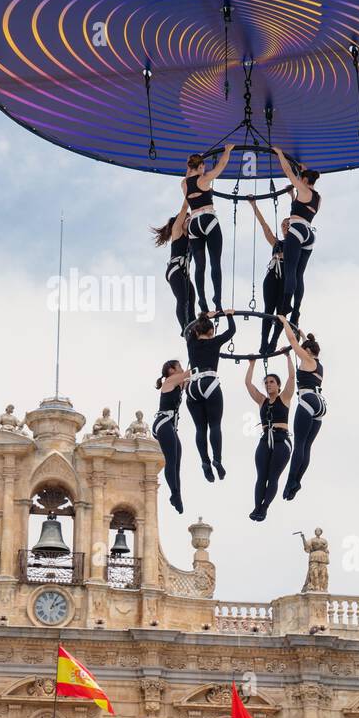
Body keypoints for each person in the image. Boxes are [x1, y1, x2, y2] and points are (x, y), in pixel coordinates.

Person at [182, 144, 235, 314]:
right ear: (200, 167)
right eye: (203, 166)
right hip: (208, 220)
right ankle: (217, 301)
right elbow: (221, 165)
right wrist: (227, 151)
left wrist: (197, 161)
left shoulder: (184, 183)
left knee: (200, 266)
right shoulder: (204, 180)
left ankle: (202, 299)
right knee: (215, 263)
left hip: (193, 224)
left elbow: (189, 172)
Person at [184, 309, 236, 482]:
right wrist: (229, 315)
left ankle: (205, 462)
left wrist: (206, 316)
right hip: (209, 382)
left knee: (200, 428)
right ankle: (217, 460)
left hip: (192, 385)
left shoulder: (191, 343)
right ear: (211, 332)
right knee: (215, 425)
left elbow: (190, 329)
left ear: (197, 331)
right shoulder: (215, 342)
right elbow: (231, 331)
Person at [244, 346, 294, 521]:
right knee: (261, 477)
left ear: (278, 385)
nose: (268, 384)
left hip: (282, 440)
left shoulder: (285, 397)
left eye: (272, 382)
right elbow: (248, 384)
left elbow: (292, 378)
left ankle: (264, 508)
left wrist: (288, 356)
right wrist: (252, 363)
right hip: (266, 438)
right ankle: (257, 507)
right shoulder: (261, 400)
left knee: (273, 477)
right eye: (266, 382)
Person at [278, 319, 326, 501]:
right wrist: (304, 335)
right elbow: (304, 343)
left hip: (307, 400)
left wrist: (285, 323)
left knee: (299, 444)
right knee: (307, 446)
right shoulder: (317, 363)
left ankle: (291, 481)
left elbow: (292, 341)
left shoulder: (306, 358)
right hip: (320, 404)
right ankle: (296, 481)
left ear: (307, 351)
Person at [272, 145, 321, 324]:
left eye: (301, 177)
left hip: (297, 229)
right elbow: (301, 209)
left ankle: (285, 306)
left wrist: (279, 154)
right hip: (309, 233)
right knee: (299, 274)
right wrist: (304, 170)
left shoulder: (303, 187)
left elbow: (287, 171)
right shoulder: (317, 197)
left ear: (305, 180)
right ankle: (297, 311)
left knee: (290, 269)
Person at [248, 197, 290, 355]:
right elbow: (264, 226)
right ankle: (263, 341)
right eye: (283, 225)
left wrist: (292, 196)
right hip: (273, 274)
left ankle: (274, 340)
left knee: (282, 311)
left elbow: (301, 219)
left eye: (288, 224)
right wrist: (254, 205)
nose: (285, 227)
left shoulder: (296, 243)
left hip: (287, 275)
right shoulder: (277, 243)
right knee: (268, 310)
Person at [152, 359, 192, 513]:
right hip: (163, 423)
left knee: (177, 464)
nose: (182, 369)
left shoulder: (179, 383)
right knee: (171, 460)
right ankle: (175, 494)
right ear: (171, 370)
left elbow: (190, 380)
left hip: (170, 426)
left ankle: (177, 496)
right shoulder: (169, 381)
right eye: (179, 367)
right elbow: (190, 373)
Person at [152, 199, 195, 334]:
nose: (189, 222)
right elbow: (184, 208)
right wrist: (190, 191)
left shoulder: (192, 238)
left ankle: (193, 327)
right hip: (175, 270)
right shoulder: (177, 230)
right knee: (182, 299)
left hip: (184, 273)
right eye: (187, 220)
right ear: (180, 221)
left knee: (192, 299)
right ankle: (184, 328)